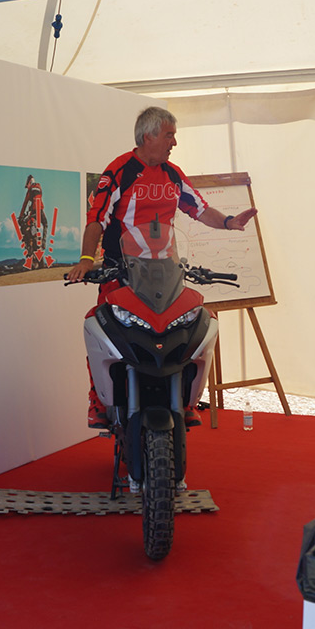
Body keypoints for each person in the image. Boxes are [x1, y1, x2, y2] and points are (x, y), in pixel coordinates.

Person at [67, 106, 258, 429]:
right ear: (148, 136)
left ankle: (183, 398)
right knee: (102, 330)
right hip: (122, 271)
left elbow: (199, 209)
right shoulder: (120, 171)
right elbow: (96, 218)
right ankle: (98, 400)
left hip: (165, 272)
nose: (174, 143)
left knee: (187, 329)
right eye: (169, 135)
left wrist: (229, 222)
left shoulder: (173, 174)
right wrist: (87, 260)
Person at [18, 174, 47, 268]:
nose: (27, 187)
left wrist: (21, 216)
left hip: (34, 212)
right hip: (41, 210)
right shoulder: (39, 187)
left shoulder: (30, 190)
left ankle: (33, 249)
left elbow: (25, 203)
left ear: (29, 183)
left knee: (31, 231)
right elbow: (38, 199)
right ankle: (43, 242)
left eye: (27, 185)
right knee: (45, 224)